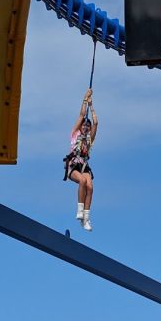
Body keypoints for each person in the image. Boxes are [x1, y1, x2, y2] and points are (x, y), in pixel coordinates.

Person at [64, 88, 98, 231]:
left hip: (84, 166)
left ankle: (86, 217)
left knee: (90, 187)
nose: (85, 127)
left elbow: (96, 123)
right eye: (84, 125)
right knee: (83, 182)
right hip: (73, 165)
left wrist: (92, 105)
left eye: (87, 126)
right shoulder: (74, 134)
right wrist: (85, 99)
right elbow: (81, 115)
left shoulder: (89, 140)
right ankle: (79, 209)